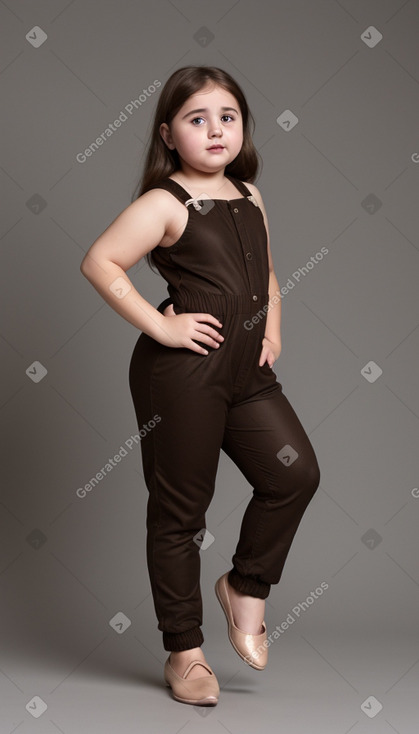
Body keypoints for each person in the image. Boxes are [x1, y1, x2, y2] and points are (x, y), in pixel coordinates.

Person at [80, 65, 320, 706]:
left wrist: (273, 326)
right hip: (184, 375)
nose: (216, 129)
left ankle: (246, 587)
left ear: (243, 127)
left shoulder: (249, 192)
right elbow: (100, 261)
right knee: (180, 515)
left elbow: (267, 274)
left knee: (293, 475)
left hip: (249, 372)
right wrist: (162, 330)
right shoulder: (165, 202)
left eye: (228, 116)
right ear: (168, 134)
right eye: (197, 119)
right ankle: (184, 653)